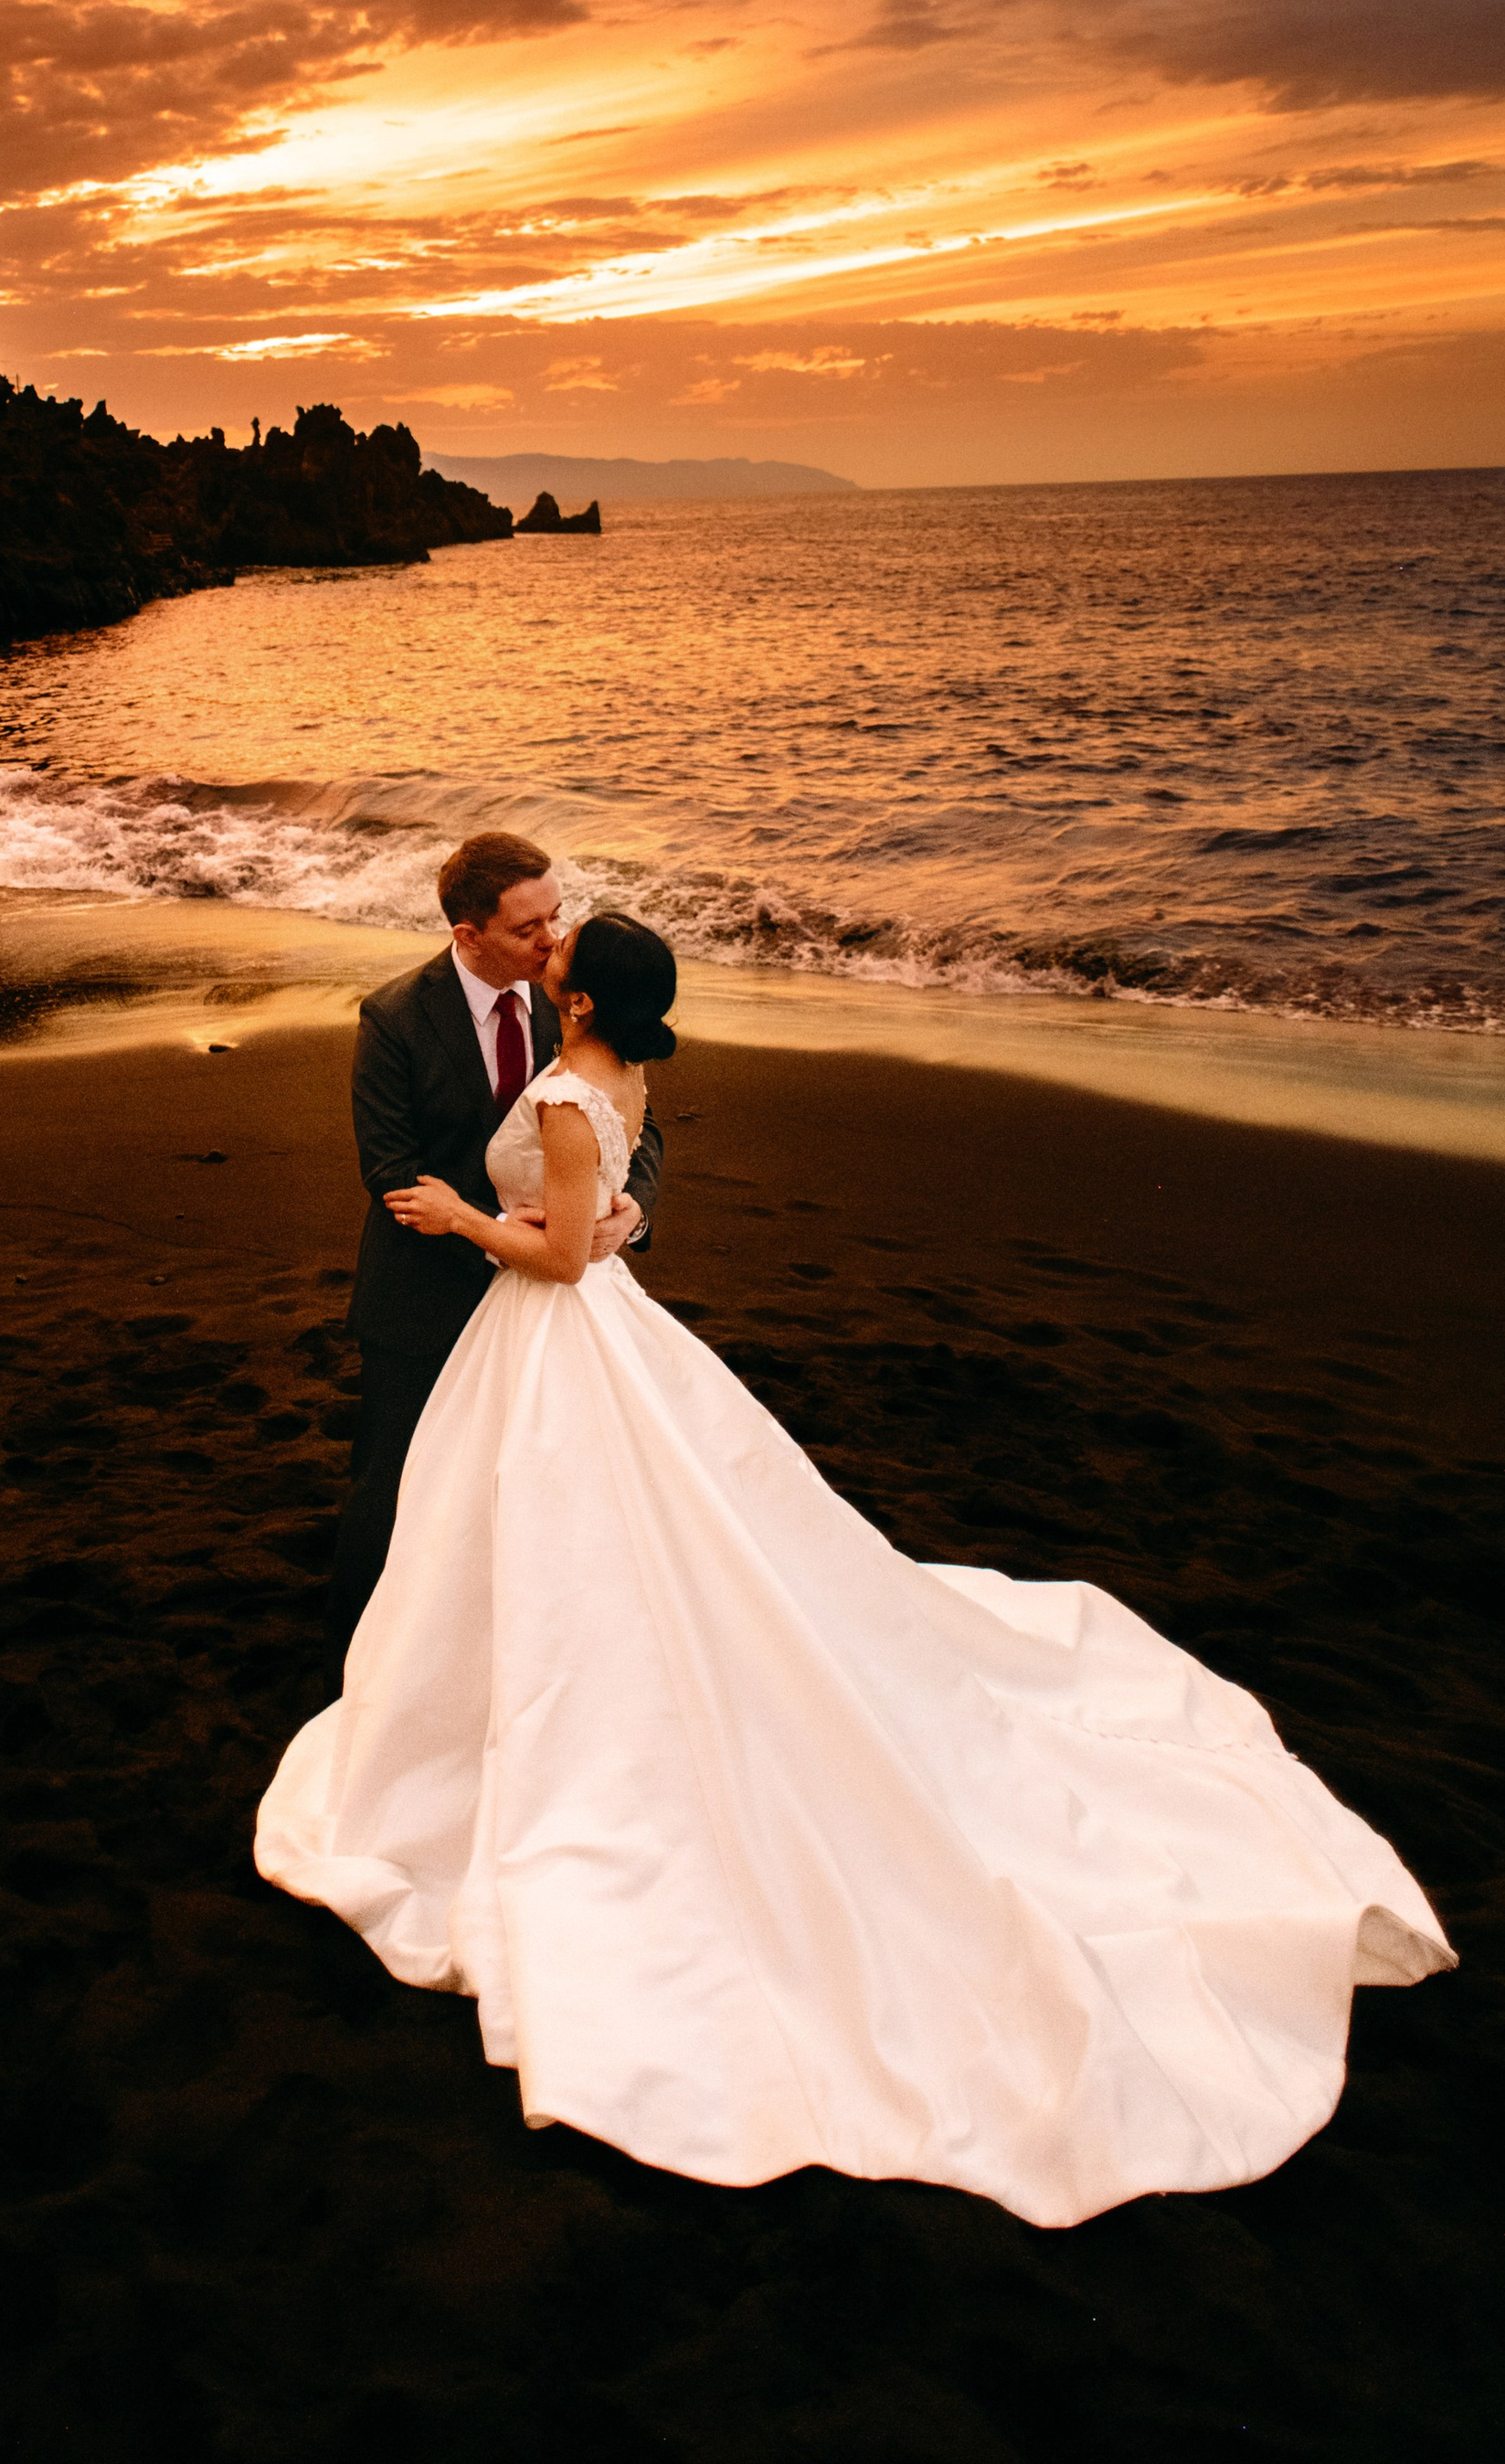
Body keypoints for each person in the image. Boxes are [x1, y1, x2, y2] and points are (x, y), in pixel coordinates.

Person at [260, 908, 1455, 2229]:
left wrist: (459, 1216)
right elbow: (605, 1212)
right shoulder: (617, 1066)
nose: (545, 961)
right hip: (594, 1325)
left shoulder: (560, 1083)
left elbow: (551, 1246)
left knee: (564, 1526)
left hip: (550, 1326)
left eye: (562, 959)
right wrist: (599, 1221)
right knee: (590, 1526)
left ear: (586, 1003)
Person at [324, 831, 662, 1697]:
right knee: (393, 1483)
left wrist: (624, 1211)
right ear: (468, 933)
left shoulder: (575, 1001)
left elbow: (635, 1131)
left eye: (557, 917)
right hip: (427, 1295)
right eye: (527, 928)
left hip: (551, 1301)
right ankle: (361, 1664)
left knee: (542, 1487)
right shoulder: (396, 1017)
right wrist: (501, 1229)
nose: (551, 941)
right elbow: (391, 1169)